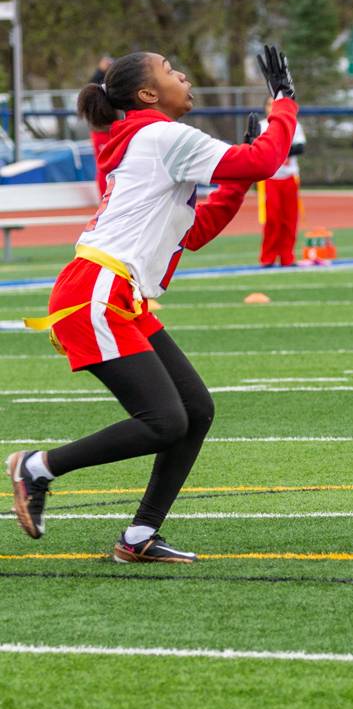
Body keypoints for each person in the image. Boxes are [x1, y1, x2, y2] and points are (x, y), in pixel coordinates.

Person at [6, 45, 297, 563]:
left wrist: (241, 175)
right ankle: (37, 468)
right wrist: (283, 103)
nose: (182, 75)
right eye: (169, 71)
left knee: (195, 411)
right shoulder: (163, 134)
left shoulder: (154, 141)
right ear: (147, 94)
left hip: (116, 293)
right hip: (97, 290)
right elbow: (268, 158)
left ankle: (139, 536)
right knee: (165, 420)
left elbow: (198, 230)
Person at [257, 96, 306, 267]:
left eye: (275, 104)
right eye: (269, 105)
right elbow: (259, 150)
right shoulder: (262, 126)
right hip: (270, 178)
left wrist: (279, 148)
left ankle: (287, 257)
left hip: (290, 176)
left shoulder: (294, 124)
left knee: (290, 219)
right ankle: (268, 258)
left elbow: (300, 147)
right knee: (272, 219)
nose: (272, 108)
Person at [88, 54, 115, 198]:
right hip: (101, 129)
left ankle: (114, 198)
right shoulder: (96, 85)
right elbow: (90, 88)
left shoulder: (117, 83)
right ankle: (104, 198)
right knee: (104, 165)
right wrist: (100, 70)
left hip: (115, 128)